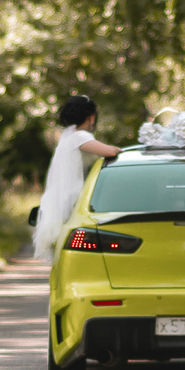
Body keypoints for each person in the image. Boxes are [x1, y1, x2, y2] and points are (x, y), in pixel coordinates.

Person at [32, 93, 123, 257]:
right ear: (91, 117)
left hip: (62, 197)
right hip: (72, 198)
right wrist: (119, 150)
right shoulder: (80, 137)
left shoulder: (68, 136)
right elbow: (110, 152)